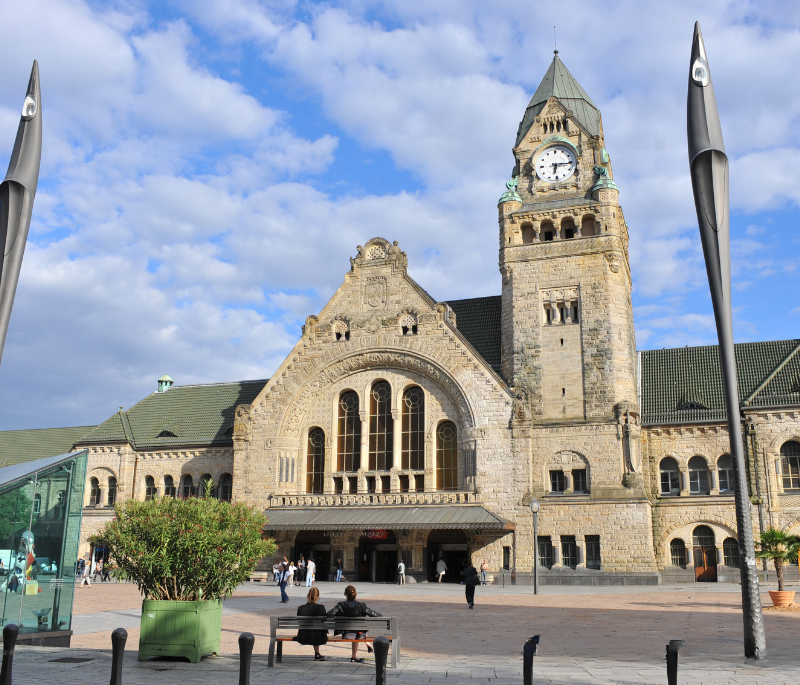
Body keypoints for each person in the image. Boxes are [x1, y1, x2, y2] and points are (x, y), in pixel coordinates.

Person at [326, 585, 381, 663]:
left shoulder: (340, 605)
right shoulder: (361, 606)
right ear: (355, 594)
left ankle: (354, 655)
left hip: (346, 634)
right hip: (358, 634)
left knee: (355, 631)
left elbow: (329, 614)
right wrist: (381, 616)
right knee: (358, 631)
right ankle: (354, 655)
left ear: (346, 594)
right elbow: (373, 614)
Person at [293, 586, 328, 661]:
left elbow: (299, 623)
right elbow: (324, 623)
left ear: (308, 596)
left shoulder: (301, 608)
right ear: (318, 597)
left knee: (314, 630)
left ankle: (317, 654)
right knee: (316, 630)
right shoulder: (321, 608)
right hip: (319, 638)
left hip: (303, 637)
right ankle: (317, 654)